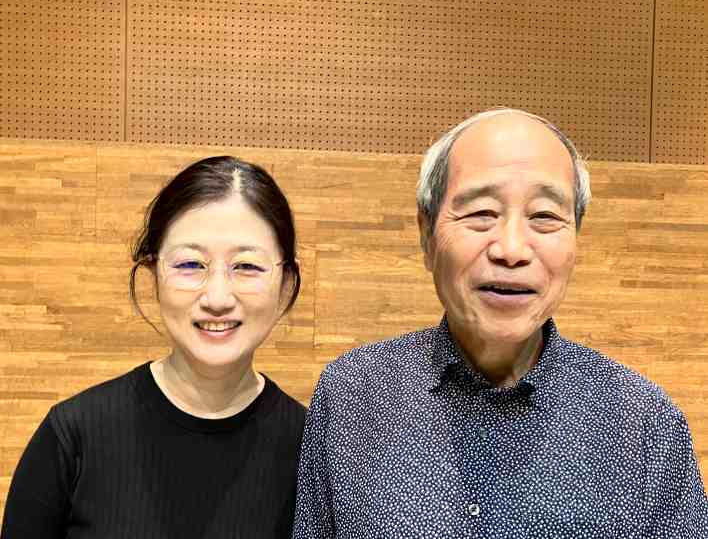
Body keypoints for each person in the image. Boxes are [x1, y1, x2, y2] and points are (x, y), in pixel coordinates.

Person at [292, 109, 708, 538]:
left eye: (544, 216)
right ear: (426, 235)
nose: (511, 250)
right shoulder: (351, 395)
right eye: (481, 212)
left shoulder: (646, 424)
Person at [2, 156, 306, 538]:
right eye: (190, 264)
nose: (217, 298)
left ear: (286, 284)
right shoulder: (73, 436)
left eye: (246, 266)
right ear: (153, 275)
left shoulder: (311, 450)